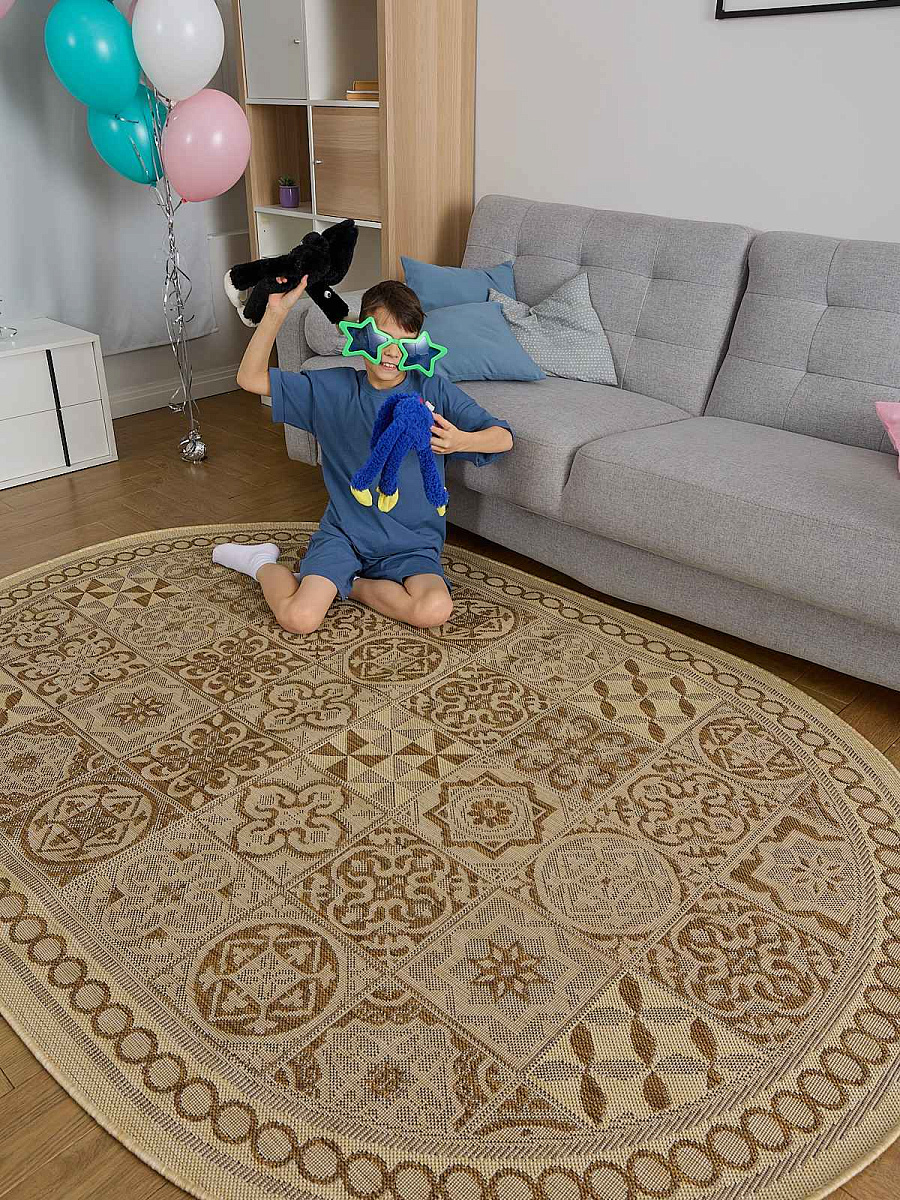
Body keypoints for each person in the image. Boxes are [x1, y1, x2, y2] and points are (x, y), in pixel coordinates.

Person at [212, 274, 513, 633]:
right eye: (382, 339)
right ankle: (262, 563)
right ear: (360, 334)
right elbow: (249, 379)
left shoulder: (433, 389)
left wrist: (460, 441)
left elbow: (502, 437)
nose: (392, 353)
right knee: (299, 618)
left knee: (434, 609)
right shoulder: (332, 389)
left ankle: (350, 584)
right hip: (346, 536)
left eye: (404, 343)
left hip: (412, 543)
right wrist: (276, 314)